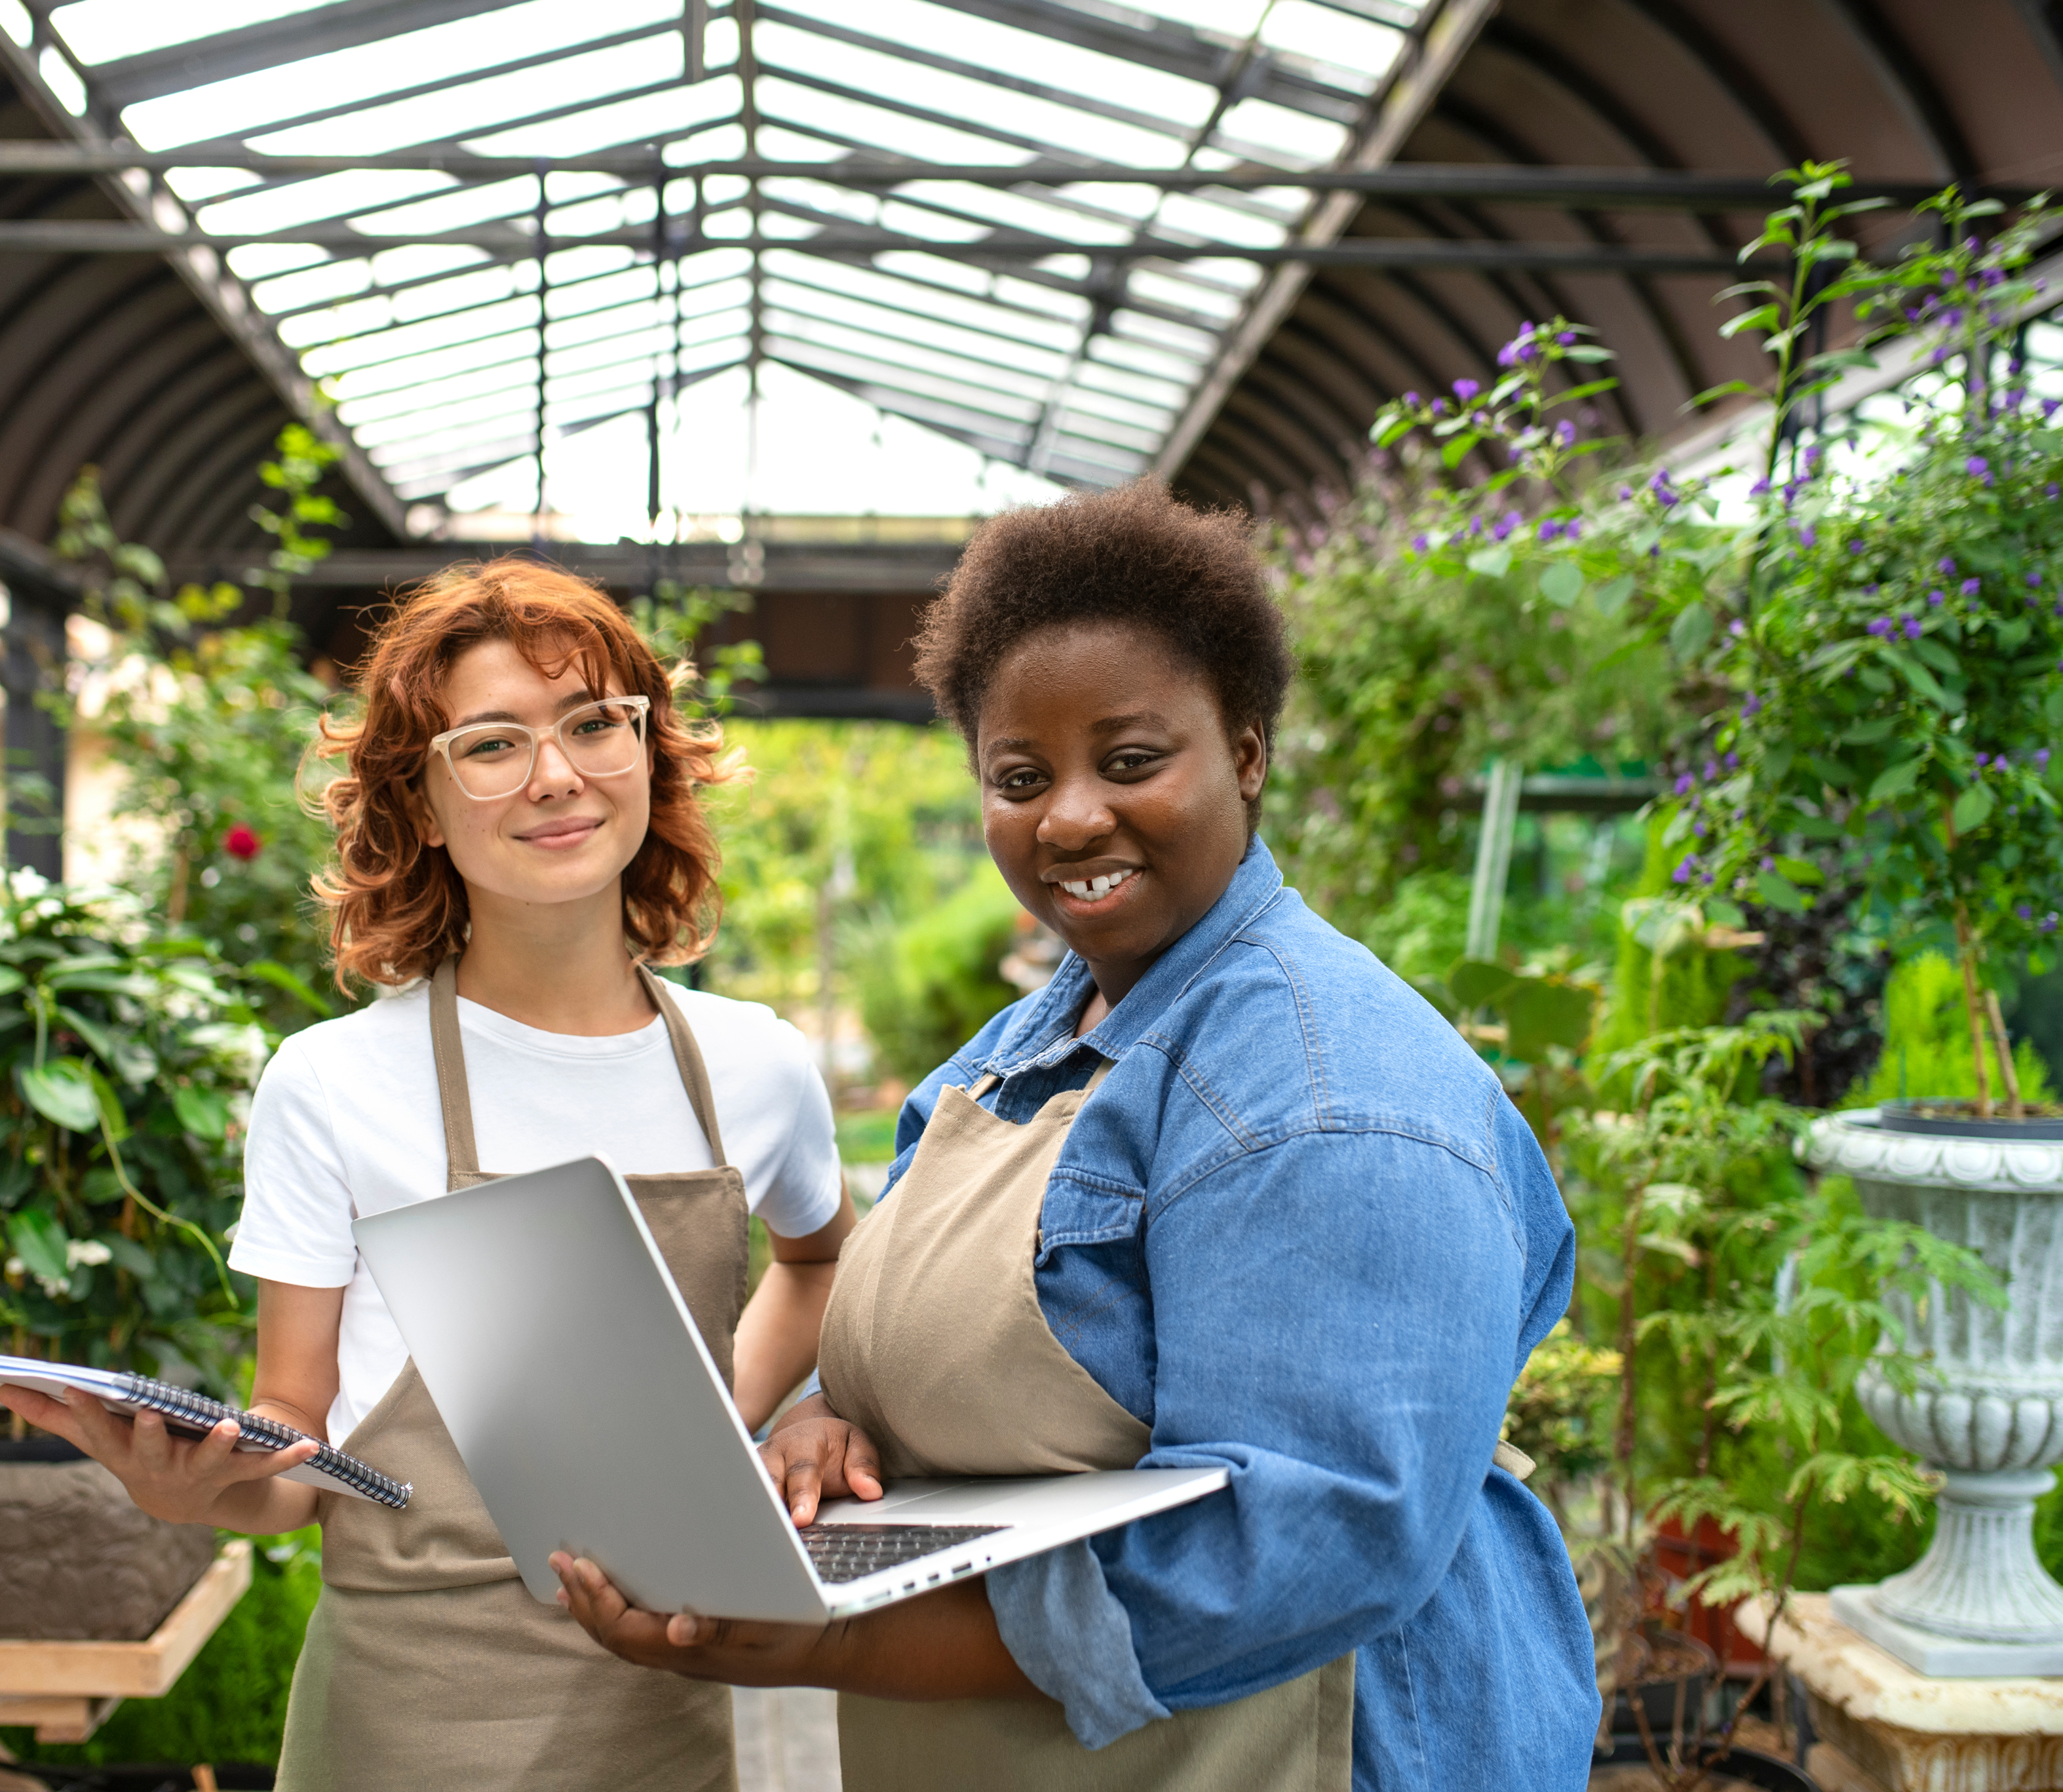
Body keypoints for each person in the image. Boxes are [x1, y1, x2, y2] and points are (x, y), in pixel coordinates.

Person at [555, 483, 1598, 1791]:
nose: (1065, 817)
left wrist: (841, 1636)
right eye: (1017, 775)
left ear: (1247, 750)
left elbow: (1317, 1536)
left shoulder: (1330, 1095)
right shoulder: (998, 1067)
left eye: (1128, 758)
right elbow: (935, 1361)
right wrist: (827, 1421)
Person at [3, 560, 852, 1792]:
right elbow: (297, 1455)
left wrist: (718, 1420)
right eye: (492, 743)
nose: (556, 775)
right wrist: (192, 1492)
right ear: (421, 800)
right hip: (404, 1718)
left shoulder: (756, 1068)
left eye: (594, 725)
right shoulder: (334, 1083)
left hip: (661, 1711)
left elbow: (819, 1258)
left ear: (651, 756)